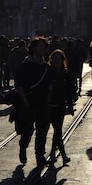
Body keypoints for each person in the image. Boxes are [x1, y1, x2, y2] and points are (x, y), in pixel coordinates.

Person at [14, 37, 53, 167]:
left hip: (42, 103)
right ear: (34, 48)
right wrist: (25, 103)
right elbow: (19, 86)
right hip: (28, 104)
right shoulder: (24, 66)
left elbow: (49, 85)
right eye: (40, 47)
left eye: (44, 47)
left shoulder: (46, 67)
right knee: (28, 131)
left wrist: (48, 100)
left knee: (42, 131)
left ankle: (40, 155)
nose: (42, 49)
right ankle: (23, 146)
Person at [47, 49, 75, 165]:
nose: (57, 61)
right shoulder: (48, 72)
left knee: (57, 130)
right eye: (55, 59)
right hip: (49, 105)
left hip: (60, 105)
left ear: (63, 60)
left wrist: (70, 105)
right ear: (51, 60)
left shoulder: (65, 73)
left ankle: (54, 153)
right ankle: (62, 154)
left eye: (59, 59)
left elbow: (68, 91)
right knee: (57, 130)